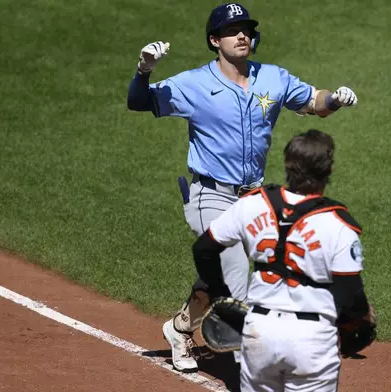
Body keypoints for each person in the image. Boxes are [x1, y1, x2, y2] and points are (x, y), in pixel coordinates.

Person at [127, 2, 358, 373]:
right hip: (210, 194)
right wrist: (144, 70)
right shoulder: (194, 84)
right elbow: (139, 102)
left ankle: (181, 328)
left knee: (232, 266)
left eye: (247, 29)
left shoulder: (272, 78)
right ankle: (254, 366)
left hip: (253, 197)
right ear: (214, 40)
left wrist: (336, 99)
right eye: (233, 30)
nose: (242, 35)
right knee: (237, 275)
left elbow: (314, 102)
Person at [192, 129, 376, 391]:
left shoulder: (252, 204)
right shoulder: (338, 224)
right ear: (329, 170)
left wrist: (220, 296)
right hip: (312, 341)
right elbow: (350, 294)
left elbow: (204, 249)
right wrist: (355, 325)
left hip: (259, 334)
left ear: (288, 165)